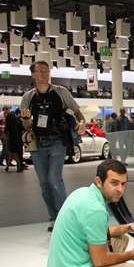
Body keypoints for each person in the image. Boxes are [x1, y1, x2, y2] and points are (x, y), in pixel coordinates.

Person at [19, 60, 85, 232]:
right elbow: (27, 126)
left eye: (46, 71)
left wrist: (82, 122)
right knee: (44, 183)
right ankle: (54, 217)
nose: (44, 74)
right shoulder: (28, 97)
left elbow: (77, 112)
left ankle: (64, 218)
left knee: (55, 179)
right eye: (40, 71)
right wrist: (26, 120)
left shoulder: (60, 92)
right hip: (38, 143)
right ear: (33, 74)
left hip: (57, 141)